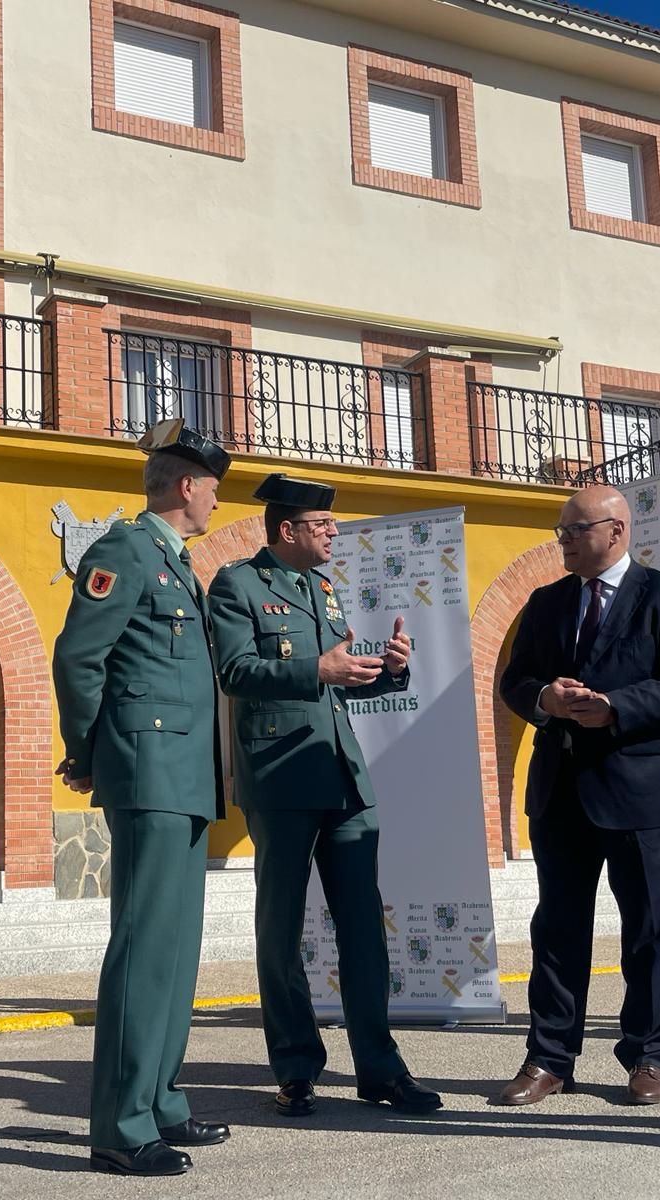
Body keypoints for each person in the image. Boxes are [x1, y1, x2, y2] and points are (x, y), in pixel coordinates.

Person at [207, 473, 441, 1118]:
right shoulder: (237, 585)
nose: (336, 533)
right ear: (288, 530)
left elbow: (339, 686)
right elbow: (235, 673)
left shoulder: (323, 588)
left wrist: (388, 670)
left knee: (364, 928)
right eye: (323, 526)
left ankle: (380, 1069)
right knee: (280, 930)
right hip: (280, 778)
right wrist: (319, 669)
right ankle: (295, 1065)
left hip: (343, 777)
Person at [52, 419, 231, 1177]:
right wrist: (90, 753)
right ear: (186, 486)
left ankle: (160, 1099)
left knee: (177, 947)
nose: (219, 503)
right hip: (149, 764)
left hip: (185, 771)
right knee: (144, 945)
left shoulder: (176, 562)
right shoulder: (124, 551)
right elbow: (79, 655)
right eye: (215, 489)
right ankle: (120, 1129)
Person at [491, 485, 660, 1108]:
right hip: (561, 792)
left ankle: (647, 1057)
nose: (564, 541)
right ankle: (549, 1058)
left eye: (574, 530)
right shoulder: (547, 601)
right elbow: (515, 682)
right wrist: (545, 699)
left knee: (650, 931)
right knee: (557, 930)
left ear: (617, 531)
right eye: (560, 531)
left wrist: (615, 709)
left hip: (640, 794)